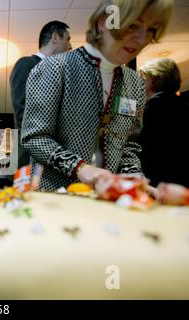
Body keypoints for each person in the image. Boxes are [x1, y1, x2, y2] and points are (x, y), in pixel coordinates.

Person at [21, 0, 174, 191]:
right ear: (104, 21)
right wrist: (79, 167)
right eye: (133, 25)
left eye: (151, 30)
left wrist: (134, 178)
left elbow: (128, 144)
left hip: (108, 200)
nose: (141, 38)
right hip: (54, 196)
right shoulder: (54, 68)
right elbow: (34, 137)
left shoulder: (135, 84)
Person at [10, 21, 72, 167]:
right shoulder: (26, 64)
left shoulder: (61, 75)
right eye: (68, 39)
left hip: (54, 159)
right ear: (55, 37)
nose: (70, 46)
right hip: (29, 158)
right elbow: (23, 113)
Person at [138, 58, 189, 187]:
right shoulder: (184, 105)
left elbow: (143, 149)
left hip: (158, 182)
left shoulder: (149, 110)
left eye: (144, 79)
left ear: (153, 80)